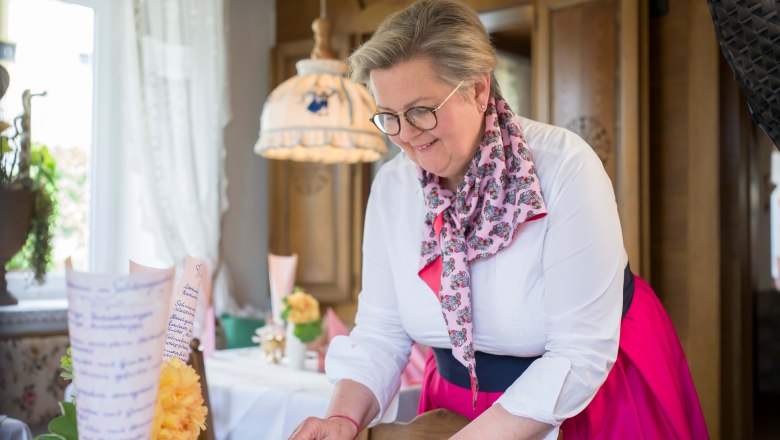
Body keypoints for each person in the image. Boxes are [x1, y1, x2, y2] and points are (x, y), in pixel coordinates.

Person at [289, 0, 709, 439]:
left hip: (586, 398)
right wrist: (341, 418)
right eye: (389, 117)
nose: (406, 136)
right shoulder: (392, 187)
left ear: (477, 88)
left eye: (420, 111)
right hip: (457, 401)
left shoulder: (564, 167)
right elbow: (382, 332)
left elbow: (579, 352)